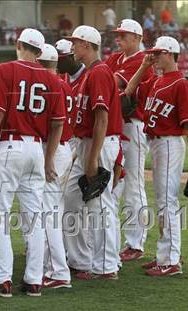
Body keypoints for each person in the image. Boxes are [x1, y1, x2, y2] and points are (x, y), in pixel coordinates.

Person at [0, 28, 66, 297]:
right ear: (40, 53)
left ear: (18, 44)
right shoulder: (52, 80)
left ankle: (2, 279)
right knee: (34, 219)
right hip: (36, 150)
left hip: (10, 146)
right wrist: (49, 158)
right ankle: (34, 280)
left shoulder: (6, 69)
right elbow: (57, 123)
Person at [125, 36, 188, 277]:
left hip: (169, 144)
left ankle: (171, 261)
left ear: (170, 54)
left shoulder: (180, 84)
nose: (154, 56)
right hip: (156, 144)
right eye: (153, 53)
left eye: (158, 53)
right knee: (161, 201)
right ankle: (163, 256)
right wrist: (144, 66)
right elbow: (129, 91)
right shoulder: (157, 81)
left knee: (168, 202)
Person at [64, 25, 122, 280]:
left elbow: (102, 119)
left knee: (101, 204)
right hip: (86, 143)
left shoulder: (99, 73)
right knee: (71, 199)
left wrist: (92, 160)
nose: (72, 46)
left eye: (75, 42)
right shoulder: (90, 73)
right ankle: (82, 260)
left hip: (99, 143)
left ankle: (107, 266)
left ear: (87, 45)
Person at [106, 19, 154, 262]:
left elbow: (111, 83)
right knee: (115, 183)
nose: (119, 39)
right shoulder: (116, 58)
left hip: (133, 125)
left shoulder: (142, 60)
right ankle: (114, 240)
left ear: (137, 37)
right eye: (118, 35)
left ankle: (136, 243)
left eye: (124, 35)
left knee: (134, 184)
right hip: (115, 126)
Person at [37, 44, 73, 289]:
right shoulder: (64, 84)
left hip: (53, 148)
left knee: (48, 213)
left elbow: (53, 125)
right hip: (62, 148)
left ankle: (59, 272)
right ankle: (49, 266)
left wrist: (47, 158)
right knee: (53, 211)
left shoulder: (49, 86)